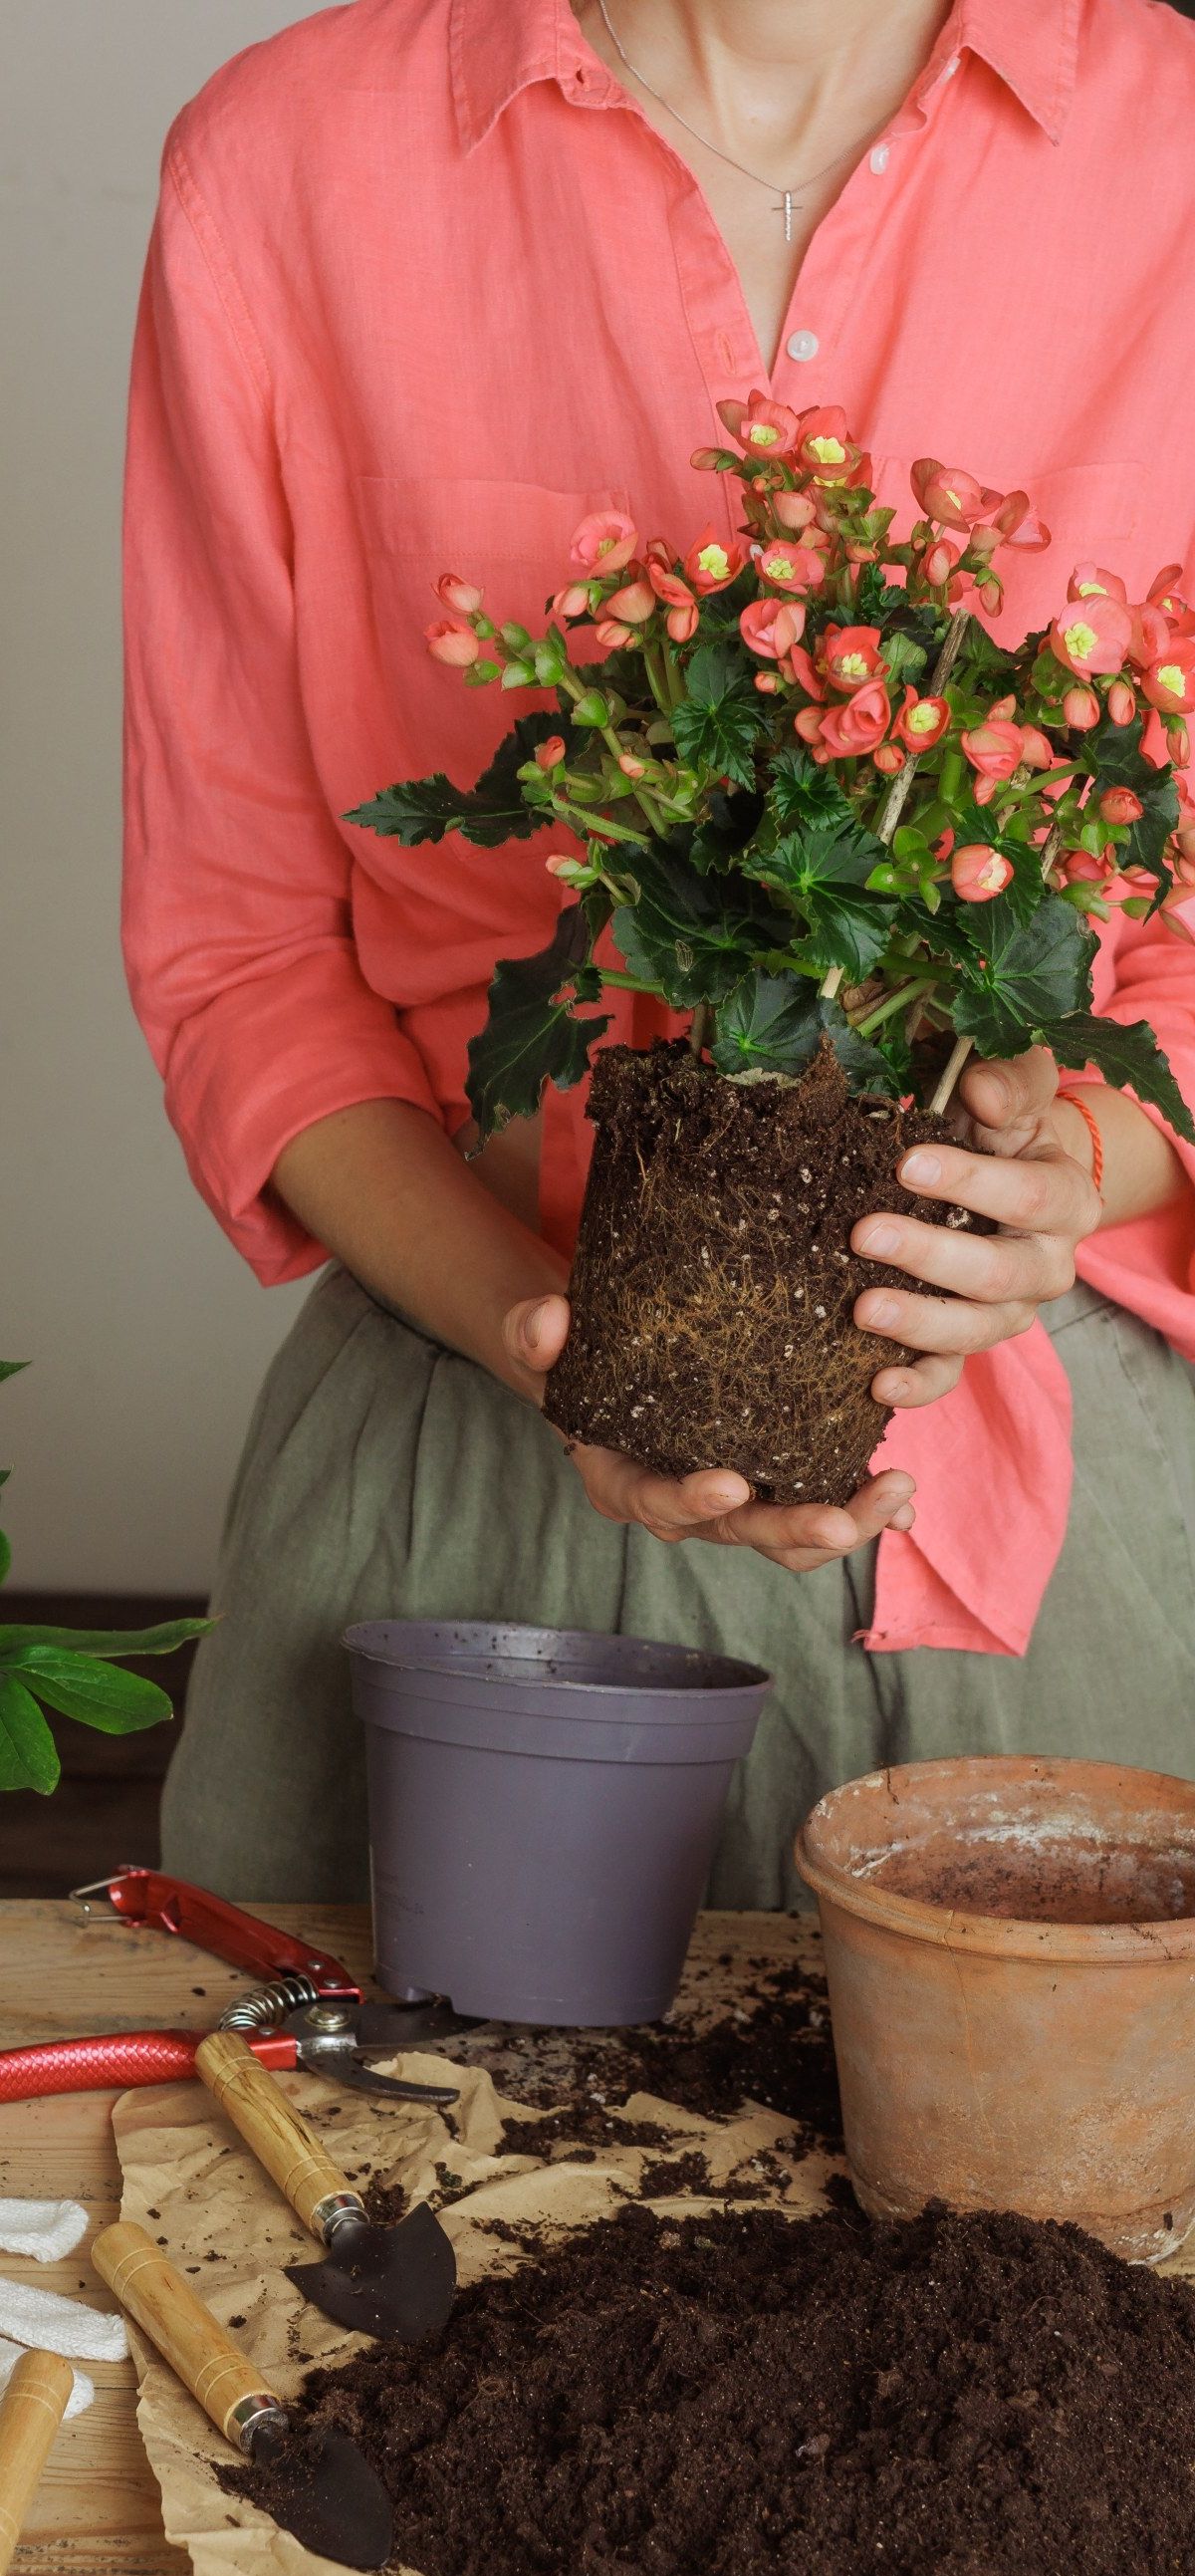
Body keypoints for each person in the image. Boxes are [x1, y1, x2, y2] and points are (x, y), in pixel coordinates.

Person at [123, 0, 1195, 1906]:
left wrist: (1049, 1170)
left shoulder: (1174, 145)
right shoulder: (286, 164)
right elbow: (240, 947)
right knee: (381, 2168)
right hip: (475, 1430)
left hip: (1064, 1475)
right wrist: (546, 1339)